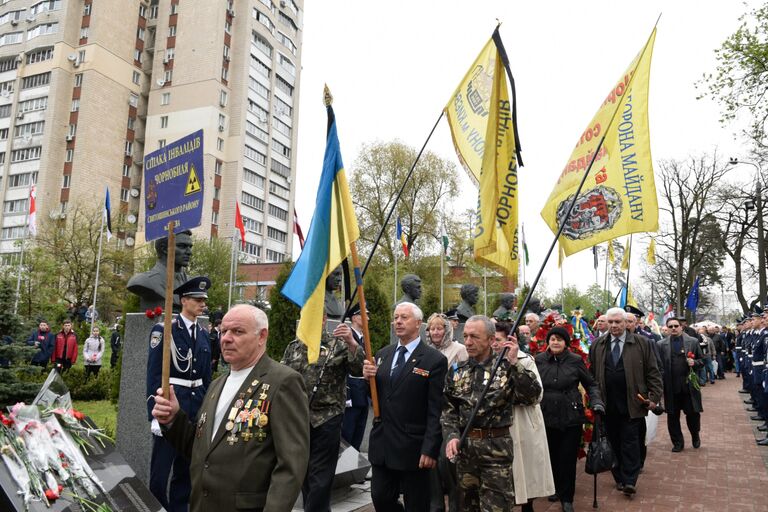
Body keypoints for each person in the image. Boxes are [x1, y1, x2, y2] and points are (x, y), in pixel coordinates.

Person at [151, 304, 310, 511]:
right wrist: (173, 419)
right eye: (224, 331)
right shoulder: (217, 384)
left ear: (262, 336)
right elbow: (201, 449)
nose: (225, 338)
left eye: (237, 331)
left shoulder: (283, 382)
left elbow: (291, 465)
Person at [442, 315, 541, 510]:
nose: (468, 342)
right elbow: (449, 410)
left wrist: (515, 364)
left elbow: (532, 396)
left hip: (496, 453)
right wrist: (452, 436)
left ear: (490, 339)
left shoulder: (505, 368)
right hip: (466, 452)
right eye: (465, 336)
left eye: (474, 337)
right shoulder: (457, 371)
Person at [362, 302, 446, 512]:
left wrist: (430, 448)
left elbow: (436, 409)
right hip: (383, 444)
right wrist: (367, 379)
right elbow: (377, 397)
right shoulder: (383, 354)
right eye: (396, 317)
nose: (398, 321)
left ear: (418, 323)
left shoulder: (434, 360)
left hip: (413, 447)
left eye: (404, 317)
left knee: (417, 504)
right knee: (380, 498)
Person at [282, 314, 364, 512]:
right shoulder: (294, 346)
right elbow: (283, 376)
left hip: (327, 418)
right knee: (304, 473)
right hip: (299, 418)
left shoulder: (338, 344)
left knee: (321, 476)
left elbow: (358, 368)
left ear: (324, 319)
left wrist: (352, 342)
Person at [146, 276, 213, 512]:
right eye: (198, 299)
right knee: (158, 478)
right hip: (170, 410)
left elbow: (207, 378)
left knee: (185, 476)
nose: (202, 304)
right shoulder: (165, 330)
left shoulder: (204, 335)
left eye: (204, 300)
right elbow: (153, 375)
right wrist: (154, 414)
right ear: (184, 300)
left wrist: (207, 408)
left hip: (194, 413)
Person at [588, 307, 662, 497]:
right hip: (607, 404)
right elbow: (592, 376)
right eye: (610, 322)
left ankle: (630, 480)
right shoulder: (598, 345)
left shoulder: (642, 343)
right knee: (613, 442)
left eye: (617, 322)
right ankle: (619, 477)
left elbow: (653, 372)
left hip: (633, 403)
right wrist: (594, 400)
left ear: (626, 323)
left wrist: (653, 399)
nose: (614, 326)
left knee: (630, 443)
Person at [535, 326, 603, 512]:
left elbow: (591, 384)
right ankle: (555, 488)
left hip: (570, 415)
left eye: (559, 339)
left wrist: (596, 402)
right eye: (552, 339)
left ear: (566, 343)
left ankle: (567, 498)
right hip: (545, 414)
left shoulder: (575, 361)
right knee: (551, 456)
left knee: (567, 457)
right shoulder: (539, 360)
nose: (555, 342)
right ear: (547, 342)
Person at [495, 322, 554, 512]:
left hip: (522, 424)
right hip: (497, 427)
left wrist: (514, 364)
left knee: (525, 475)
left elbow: (535, 395)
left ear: (510, 341)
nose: (494, 344)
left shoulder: (525, 360)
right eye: (491, 339)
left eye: (498, 340)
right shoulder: (485, 362)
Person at [426, 312, 468, 512]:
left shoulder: (459, 350)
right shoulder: (424, 351)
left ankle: (455, 505)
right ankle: (435, 505)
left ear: (447, 330)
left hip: (451, 412)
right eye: (432, 328)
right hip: (429, 411)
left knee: (449, 462)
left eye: (439, 328)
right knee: (431, 461)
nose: (435, 332)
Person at [658, 318, 703, 451]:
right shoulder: (661, 344)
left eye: (676, 326)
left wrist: (695, 363)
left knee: (693, 414)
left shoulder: (693, 342)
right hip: (671, 387)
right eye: (670, 326)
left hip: (688, 387)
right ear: (666, 328)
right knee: (672, 416)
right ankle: (677, 442)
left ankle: (695, 434)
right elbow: (658, 365)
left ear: (681, 327)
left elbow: (702, 360)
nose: (673, 328)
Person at [127, 230, 193, 311]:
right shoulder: (144, 281)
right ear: (164, 249)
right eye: (182, 246)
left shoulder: (192, 283)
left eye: (190, 247)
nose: (189, 252)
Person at [342, 304, 371, 451]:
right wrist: (346, 397)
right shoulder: (347, 338)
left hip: (363, 395)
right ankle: (342, 471)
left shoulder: (363, 338)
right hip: (351, 396)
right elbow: (344, 367)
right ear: (354, 318)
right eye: (364, 314)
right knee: (347, 435)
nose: (368, 318)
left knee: (358, 435)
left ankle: (353, 469)